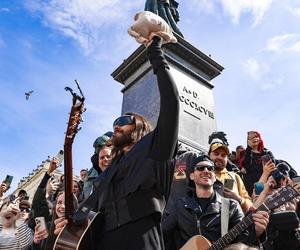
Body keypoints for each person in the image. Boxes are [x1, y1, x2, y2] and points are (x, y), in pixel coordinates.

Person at [55, 36, 179, 250]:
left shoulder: (154, 148)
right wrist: (71, 224)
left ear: (140, 127)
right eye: (114, 123)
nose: (116, 126)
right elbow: (93, 217)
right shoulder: (108, 172)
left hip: (140, 242)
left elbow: (171, 103)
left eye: (123, 121)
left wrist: (155, 53)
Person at [162, 155, 269, 249]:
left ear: (215, 176)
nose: (206, 171)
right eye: (200, 168)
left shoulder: (231, 206)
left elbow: (243, 241)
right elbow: (161, 236)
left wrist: (257, 232)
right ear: (192, 176)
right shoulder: (179, 206)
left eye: (210, 168)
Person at [208, 140, 253, 213]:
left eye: (223, 155)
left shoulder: (234, 177)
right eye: (216, 154)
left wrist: (239, 199)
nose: (220, 157)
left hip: (232, 222)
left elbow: (250, 205)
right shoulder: (203, 174)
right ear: (209, 155)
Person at [242, 131, 275, 196]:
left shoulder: (267, 153)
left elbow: (272, 167)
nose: (254, 139)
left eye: (256, 137)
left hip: (268, 183)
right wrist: (249, 148)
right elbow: (247, 167)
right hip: (254, 184)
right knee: (258, 200)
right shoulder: (246, 153)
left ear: (259, 139)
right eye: (251, 138)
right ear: (248, 141)